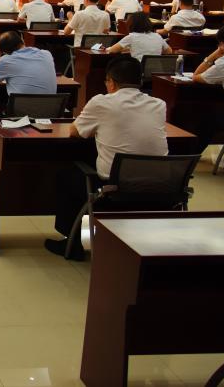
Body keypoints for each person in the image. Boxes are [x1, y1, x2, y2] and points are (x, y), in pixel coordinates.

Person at [45, 57, 167, 260]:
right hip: (160, 188)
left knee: (67, 176)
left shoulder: (102, 102)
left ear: (111, 82)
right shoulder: (159, 104)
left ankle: (72, 244)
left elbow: (74, 131)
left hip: (116, 190)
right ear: (140, 81)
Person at [0, 30, 56, 95]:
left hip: (22, 104)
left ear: (5, 52)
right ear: (22, 40)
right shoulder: (46, 54)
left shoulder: (6, 60)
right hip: (51, 104)